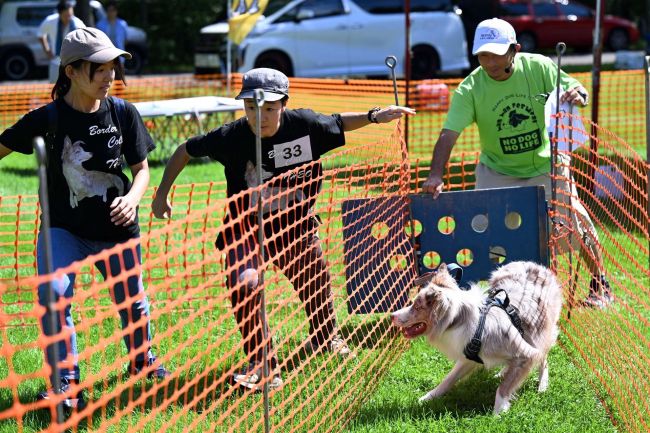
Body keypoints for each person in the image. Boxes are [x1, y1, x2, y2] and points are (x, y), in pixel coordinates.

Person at [151, 67, 415, 390]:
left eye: (269, 109)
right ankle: (264, 365)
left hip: (295, 226)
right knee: (244, 283)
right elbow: (185, 150)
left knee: (315, 279)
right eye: (251, 108)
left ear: (284, 104)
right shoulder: (231, 137)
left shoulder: (305, 126)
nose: (259, 117)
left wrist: (376, 116)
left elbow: (339, 122)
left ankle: (325, 339)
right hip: (245, 227)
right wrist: (161, 193)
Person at [0, 27, 170, 410]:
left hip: (118, 229)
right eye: (99, 67)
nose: (109, 75)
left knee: (133, 300)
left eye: (112, 66)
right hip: (64, 229)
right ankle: (65, 382)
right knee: (54, 295)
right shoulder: (47, 118)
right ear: (71, 71)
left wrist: (133, 198)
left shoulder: (123, 112)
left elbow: (142, 170)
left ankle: (143, 363)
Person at [421, 18, 614, 309]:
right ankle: (494, 296)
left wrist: (579, 95)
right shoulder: (470, 88)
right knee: (484, 232)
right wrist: (435, 174)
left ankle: (601, 283)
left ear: (515, 49)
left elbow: (575, 88)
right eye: (483, 54)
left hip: (546, 163)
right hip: (497, 169)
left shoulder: (539, 67)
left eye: (497, 52)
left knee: (574, 222)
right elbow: (449, 134)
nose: (490, 61)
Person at [39, 1, 86, 83]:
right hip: (55, 61)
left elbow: (85, 41)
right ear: (59, 14)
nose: (69, 18)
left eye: (70, 15)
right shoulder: (50, 20)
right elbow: (40, 34)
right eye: (66, 15)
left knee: (72, 89)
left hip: (73, 62)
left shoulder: (78, 24)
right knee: (54, 88)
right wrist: (47, 51)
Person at [96, 0, 128, 65]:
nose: (111, 13)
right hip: (105, 56)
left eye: (113, 10)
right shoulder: (100, 24)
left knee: (120, 74)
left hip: (120, 55)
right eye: (109, 10)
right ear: (106, 11)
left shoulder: (123, 24)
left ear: (116, 11)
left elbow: (125, 40)